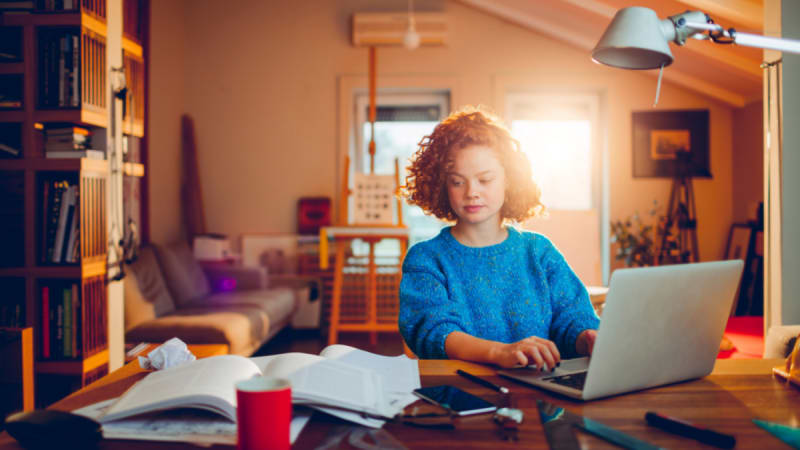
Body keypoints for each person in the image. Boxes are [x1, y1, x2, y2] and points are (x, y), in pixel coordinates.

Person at [399, 106, 600, 369]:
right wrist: (501, 353)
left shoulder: (538, 252)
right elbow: (434, 333)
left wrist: (588, 339)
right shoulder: (426, 258)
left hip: (539, 400)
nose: (472, 192)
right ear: (441, 185)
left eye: (485, 179)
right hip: (457, 398)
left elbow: (572, 318)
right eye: (458, 182)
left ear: (509, 180)